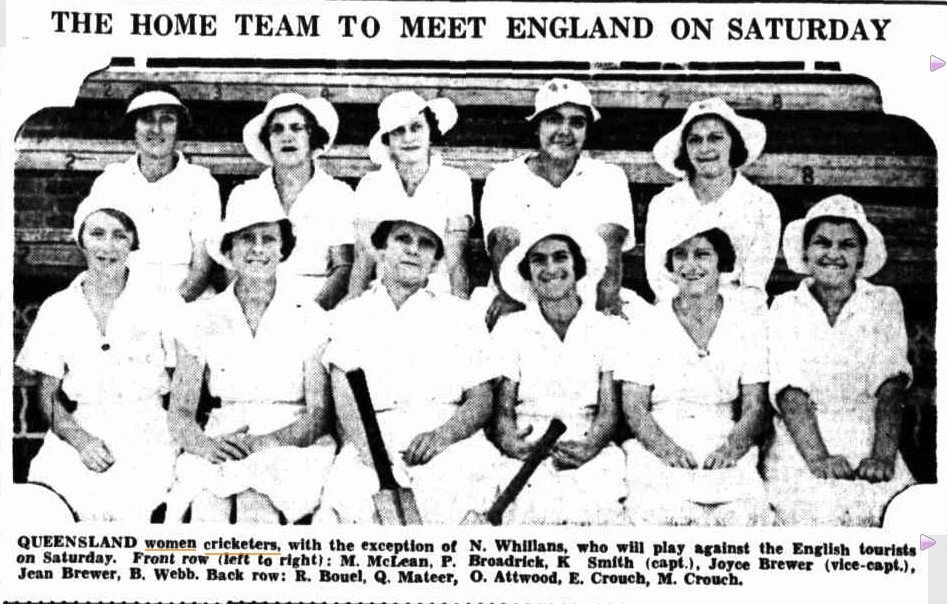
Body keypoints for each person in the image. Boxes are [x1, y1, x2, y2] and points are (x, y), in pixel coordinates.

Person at [321, 211, 501, 524]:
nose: (414, 250)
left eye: (426, 244)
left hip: (448, 440)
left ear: (435, 261)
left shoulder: (460, 314)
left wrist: (442, 436)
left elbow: (481, 398)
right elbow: (344, 396)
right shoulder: (352, 313)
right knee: (356, 502)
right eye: (403, 239)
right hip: (371, 439)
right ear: (380, 250)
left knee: (455, 502)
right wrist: (374, 457)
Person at [166, 199, 336, 524]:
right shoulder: (199, 316)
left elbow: (318, 414)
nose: (258, 249)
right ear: (228, 251)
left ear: (283, 250)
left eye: (268, 239)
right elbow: (181, 413)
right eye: (247, 239)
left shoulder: (310, 316)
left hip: (291, 443)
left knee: (256, 507)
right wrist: (204, 446)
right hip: (222, 436)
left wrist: (267, 442)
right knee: (207, 507)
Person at [15, 195, 181, 521]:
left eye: (120, 235)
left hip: (148, 429)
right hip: (80, 426)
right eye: (97, 234)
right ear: (81, 241)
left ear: (133, 243)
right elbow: (47, 396)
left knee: (126, 509)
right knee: (45, 504)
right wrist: (81, 441)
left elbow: (183, 386)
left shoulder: (163, 302)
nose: (109, 246)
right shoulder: (57, 308)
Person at [763, 195, 915, 526]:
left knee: (889, 511)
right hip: (800, 436)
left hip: (868, 430)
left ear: (861, 256)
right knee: (813, 511)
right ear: (805, 253)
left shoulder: (884, 301)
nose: (833, 254)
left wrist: (882, 457)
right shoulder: (785, 305)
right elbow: (790, 393)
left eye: (846, 245)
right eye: (822, 243)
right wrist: (818, 458)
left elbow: (891, 386)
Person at [619, 217, 773, 525]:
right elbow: (634, 405)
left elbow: (755, 404)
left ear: (722, 263)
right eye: (680, 255)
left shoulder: (747, 320)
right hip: (660, 436)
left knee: (741, 517)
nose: (690, 266)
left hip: (725, 435)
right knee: (663, 514)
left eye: (702, 254)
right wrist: (666, 449)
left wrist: (732, 448)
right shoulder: (648, 321)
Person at [491, 228, 628, 524]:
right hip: (527, 446)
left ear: (577, 267)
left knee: (595, 509)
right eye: (539, 260)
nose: (550, 268)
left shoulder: (607, 328)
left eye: (560, 257)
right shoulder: (510, 328)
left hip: (588, 442)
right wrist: (511, 442)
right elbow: (503, 410)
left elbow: (608, 411)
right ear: (527, 272)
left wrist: (590, 447)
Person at [477, 78, 635, 327]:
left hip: (590, 299)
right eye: (553, 119)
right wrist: (518, 306)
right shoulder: (504, 178)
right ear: (537, 127)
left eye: (577, 122)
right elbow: (503, 247)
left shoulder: (609, 177)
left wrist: (595, 318)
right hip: (521, 295)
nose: (565, 131)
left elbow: (610, 257)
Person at [84, 84, 220, 301]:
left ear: (178, 128)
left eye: (167, 119)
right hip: (124, 301)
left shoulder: (201, 183)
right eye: (147, 119)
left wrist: (166, 312)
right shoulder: (111, 181)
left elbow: (201, 269)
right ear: (134, 128)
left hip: (188, 303)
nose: (156, 129)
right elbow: (98, 255)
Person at [646, 97, 780, 304]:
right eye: (695, 140)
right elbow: (659, 279)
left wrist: (716, 318)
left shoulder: (762, 205)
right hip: (675, 314)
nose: (704, 148)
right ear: (685, 148)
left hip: (739, 316)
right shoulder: (663, 203)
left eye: (715, 138)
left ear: (733, 143)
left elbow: (753, 284)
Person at [227, 92, 354, 309]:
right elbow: (232, 267)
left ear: (312, 137)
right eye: (277, 129)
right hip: (257, 301)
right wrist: (251, 309)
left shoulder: (337, 193)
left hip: (318, 303)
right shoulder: (244, 194)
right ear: (267, 141)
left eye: (297, 128)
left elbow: (343, 267)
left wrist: (309, 315)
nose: (287, 137)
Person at [349, 91, 472, 299]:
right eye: (398, 131)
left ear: (430, 131)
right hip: (384, 295)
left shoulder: (455, 181)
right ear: (387, 139)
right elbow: (363, 260)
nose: (408, 138)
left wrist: (460, 314)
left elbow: (456, 260)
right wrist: (353, 306)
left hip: (438, 296)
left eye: (416, 127)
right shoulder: (371, 185)